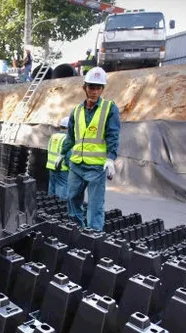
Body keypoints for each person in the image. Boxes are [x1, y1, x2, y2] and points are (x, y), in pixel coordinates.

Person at [55, 67, 120, 231]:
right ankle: (78, 231)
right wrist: (62, 154)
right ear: (85, 87)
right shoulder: (76, 111)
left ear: (103, 89)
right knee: (72, 199)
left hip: (96, 167)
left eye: (98, 88)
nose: (94, 91)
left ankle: (94, 237)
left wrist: (110, 158)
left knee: (95, 206)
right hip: (76, 165)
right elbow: (71, 136)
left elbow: (113, 134)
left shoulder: (109, 108)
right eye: (91, 87)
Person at [46, 116, 70, 199]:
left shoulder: (53, 136)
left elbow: (49, 150)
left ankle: (50, 204)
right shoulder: (67, 138)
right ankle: (60, 206)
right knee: (62, 188)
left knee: (52, 187)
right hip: (62, 168)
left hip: (51, 166)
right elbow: (68, 156)